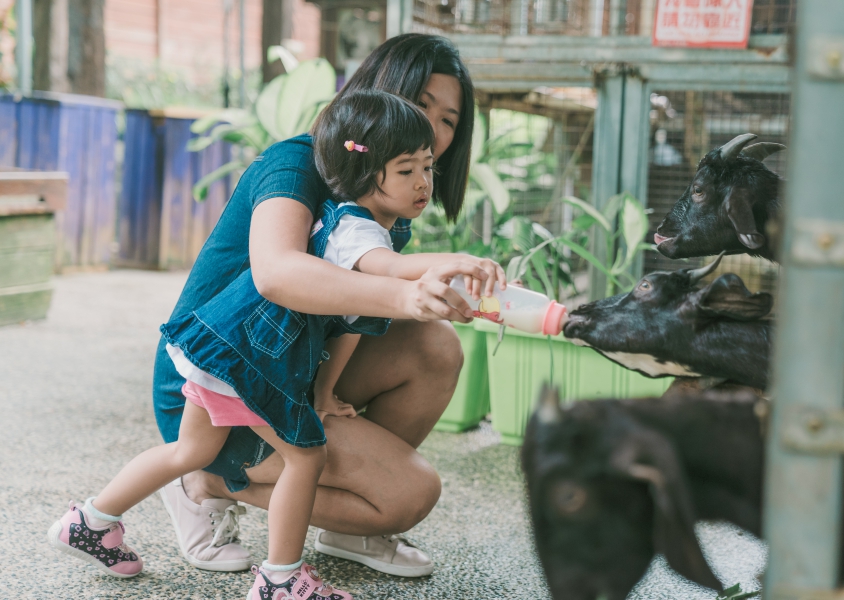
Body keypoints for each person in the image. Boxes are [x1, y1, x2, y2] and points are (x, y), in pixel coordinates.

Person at [48, 90, 503, 599]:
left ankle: (89, 520)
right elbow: (386, 272)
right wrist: (439, 270)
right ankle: (281, 580)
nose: (423, 182)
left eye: (428, 168)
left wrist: (326, 391)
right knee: (304, 458)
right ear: (363, 169)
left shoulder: (383, 230)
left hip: (218, 348)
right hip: (250, 359)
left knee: (190, 451)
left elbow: (351, 322)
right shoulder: (352, 227)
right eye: (405, 170)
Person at [151, 34, 495, 577]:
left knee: (435, 347)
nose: (432, 126)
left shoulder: (385, 201)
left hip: (287, 367)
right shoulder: (296, 164)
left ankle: (348, 529)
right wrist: (406, 293)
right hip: (213, 387)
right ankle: (204, 478)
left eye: (448, 119)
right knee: (409, 493)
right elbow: (278, 273)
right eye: (421, 103)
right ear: (377, 92)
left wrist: (327, 390)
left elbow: (353, 312)